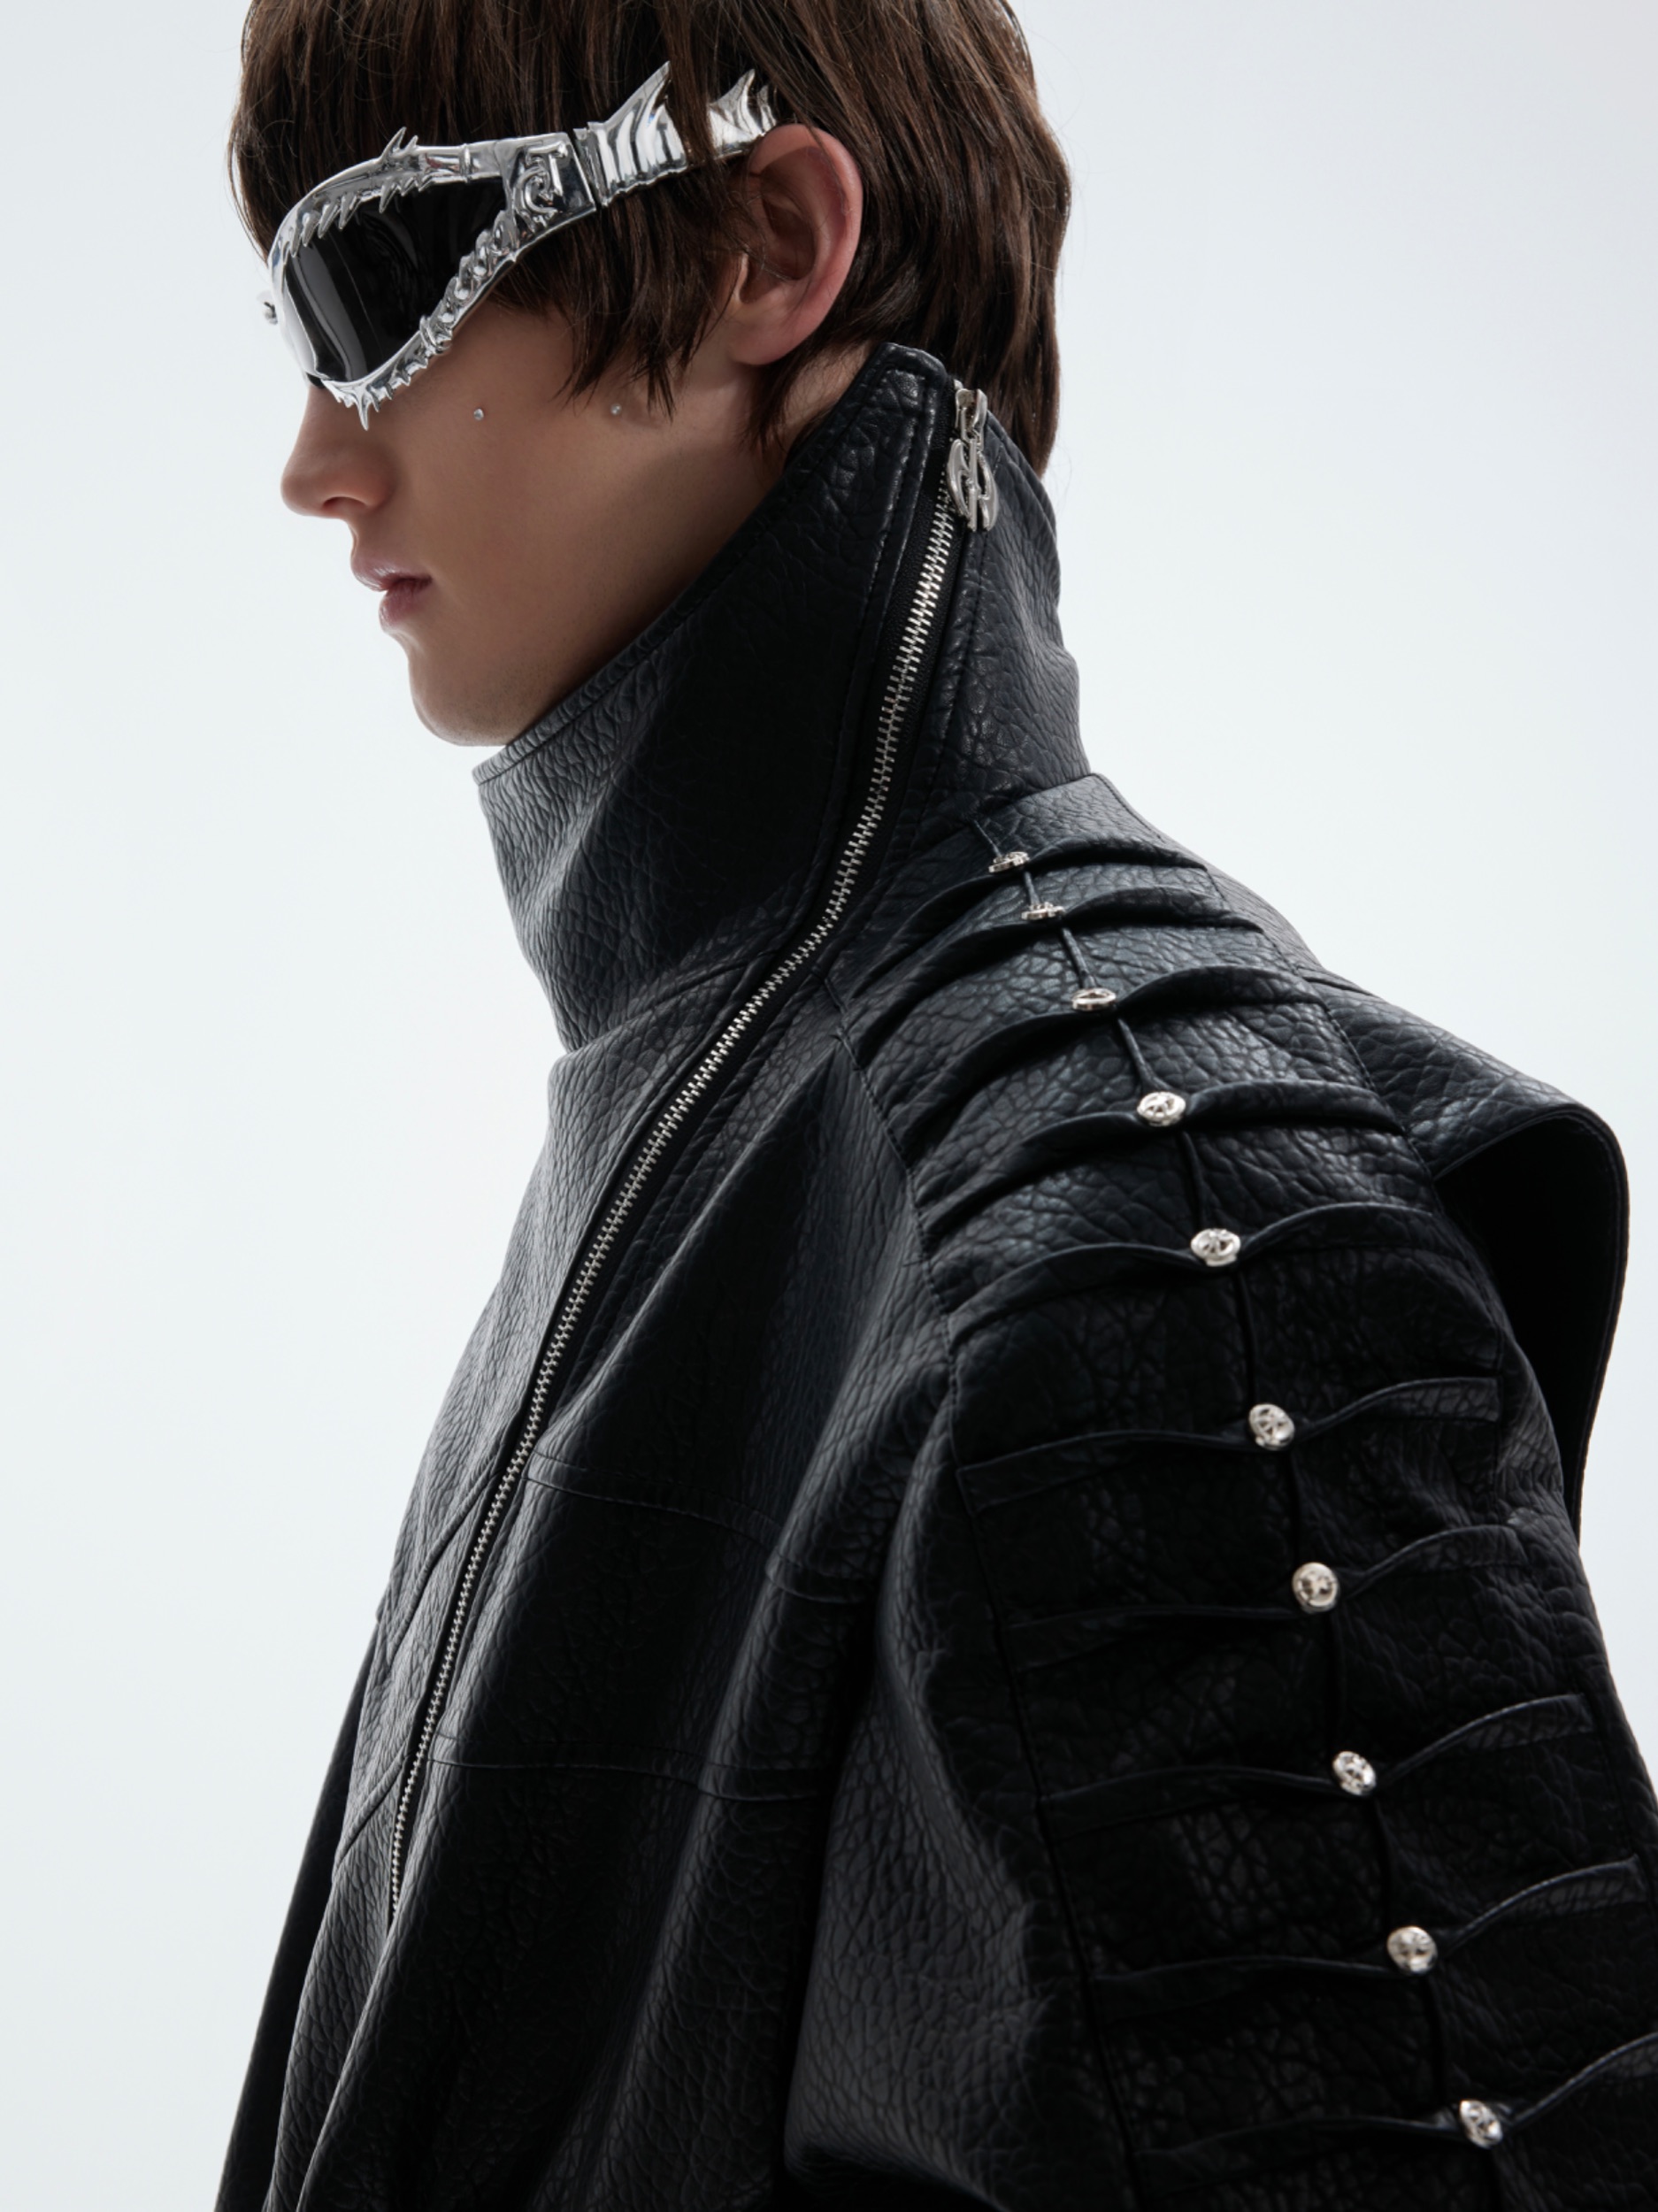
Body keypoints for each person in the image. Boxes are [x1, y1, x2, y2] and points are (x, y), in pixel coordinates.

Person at [218, 3, 1658, 2206]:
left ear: (762, 248)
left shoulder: (1156, 1219)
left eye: (373, 286)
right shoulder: (679, 1125)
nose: (319, 457)